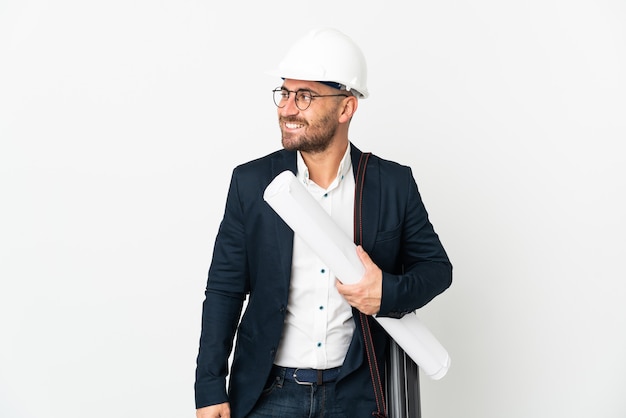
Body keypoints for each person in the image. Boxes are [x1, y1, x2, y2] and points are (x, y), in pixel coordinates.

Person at [195, 27, 452, 418]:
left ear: (346, 108)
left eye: (305, 96)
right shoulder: (251, 183)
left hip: (358, 395)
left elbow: (437, 270)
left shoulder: (392, 184)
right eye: (284, 93)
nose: (287, 108)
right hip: (269, 393)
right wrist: (210, 386)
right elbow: (225, 290)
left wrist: (386, 291)